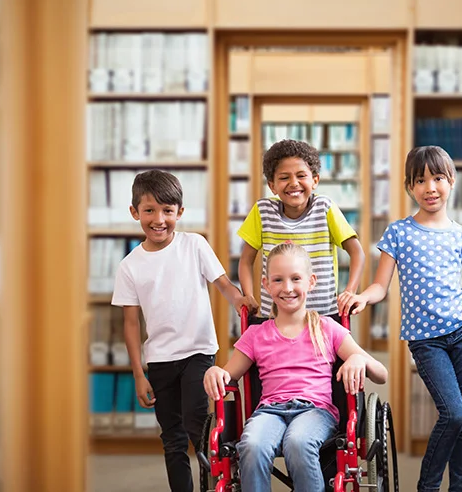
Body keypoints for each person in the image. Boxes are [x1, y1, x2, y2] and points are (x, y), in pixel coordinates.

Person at [340, 146, 462, 492]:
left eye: (438, 178)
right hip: (427, 342)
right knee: (453, 414)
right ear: (410, 187)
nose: (430, 187)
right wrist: (363, 297)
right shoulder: (398, 233)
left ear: (451, 181)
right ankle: (427, 487)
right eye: (421, 180)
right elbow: (381, 285)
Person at [111, 170, 256, 492]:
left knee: (196, 423)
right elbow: (131, 324)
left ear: (180, 213)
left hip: (199, 350)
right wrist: (138, 373)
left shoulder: (194, 245)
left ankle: (217, 481)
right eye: (149, 210)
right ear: (135, 213)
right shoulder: (129, 266)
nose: (159, 219)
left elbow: (223, 284)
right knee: (172, 437)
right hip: (160, 360)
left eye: (167, 210)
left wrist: (239, 300)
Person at [204, 242, 388, 492]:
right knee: (251, 445)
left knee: (299, 442)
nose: (287, 288)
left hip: (315, 411)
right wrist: (216, 371)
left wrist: (358, 359)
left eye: (295, 279)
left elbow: (381, 374)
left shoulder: (327, 328)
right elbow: (229, 375)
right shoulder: (256, 334)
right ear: (267, 285)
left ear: (311, 282)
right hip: (269, 411)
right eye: (278, 280)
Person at [237, 139, 365, 322]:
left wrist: (350, 291)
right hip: (275, 318)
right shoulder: (262, 211)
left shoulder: (325, 208)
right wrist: (248, 295)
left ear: (315, 181)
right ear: (272, 185)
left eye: (301, 175)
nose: (293, 183)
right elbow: (245, 261)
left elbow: (357, 253)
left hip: (322, 317)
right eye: (284, 177)